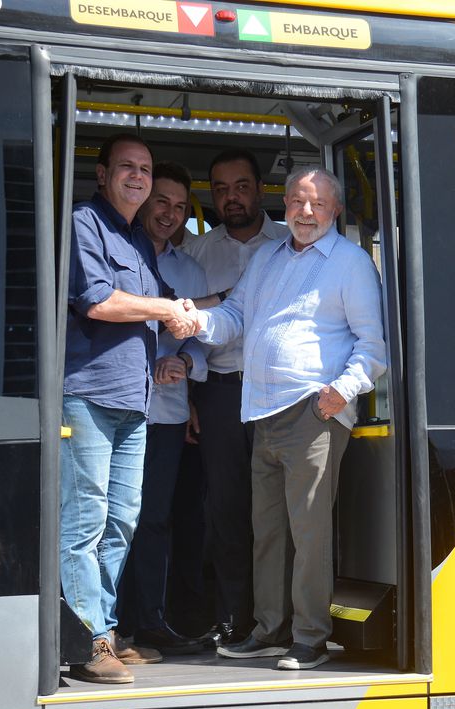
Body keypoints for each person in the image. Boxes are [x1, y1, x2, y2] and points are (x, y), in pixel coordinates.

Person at [183, 166, 386, 671]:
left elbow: (373, 345)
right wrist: (195, 321)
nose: (306, 212)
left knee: (310, 530)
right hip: (262, 411)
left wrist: (341, 392)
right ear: (285, 206)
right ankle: (270, 629)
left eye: (317, 203)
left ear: (334, 210)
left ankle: (311, 637)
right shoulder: (268, 258)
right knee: (269, 530)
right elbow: (235, 316)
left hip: (313, 411)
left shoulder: (351, 262)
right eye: (297, 202)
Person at [61, 133, 196, 684]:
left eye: (144, 169)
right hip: (88, 395)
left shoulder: (138, 241)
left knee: (122, 522)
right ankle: (86, 639)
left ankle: (107, 632)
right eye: (128, 168)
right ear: (102, 174)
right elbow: (98, 300)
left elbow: (164, 306)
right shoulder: (83, 224)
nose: (138, 178)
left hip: (133, 402)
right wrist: (168, 309)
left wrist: (195, 318)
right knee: (86, 521)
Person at [183, 149, 287, 646]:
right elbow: (183, 335)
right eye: (221, 189)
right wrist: (188, 400)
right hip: (220, 396)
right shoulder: (198, 254)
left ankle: (279, 619)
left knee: (280, 512)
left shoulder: (292, 243)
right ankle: (233, 617)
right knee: (224, 510)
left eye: (241, 186)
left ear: (261, 190)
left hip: (280, 397)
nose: (232, 197)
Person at [118, 162, 209, 655]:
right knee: (112, 518)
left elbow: (203, 341)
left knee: (154, 518)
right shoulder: (117, 253)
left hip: (167, 415)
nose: (170, 214)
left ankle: (148, 622)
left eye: (179, 206)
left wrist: (185, 361)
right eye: (162, 202)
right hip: (114, 405)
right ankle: (105, 629)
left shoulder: (190, 270)